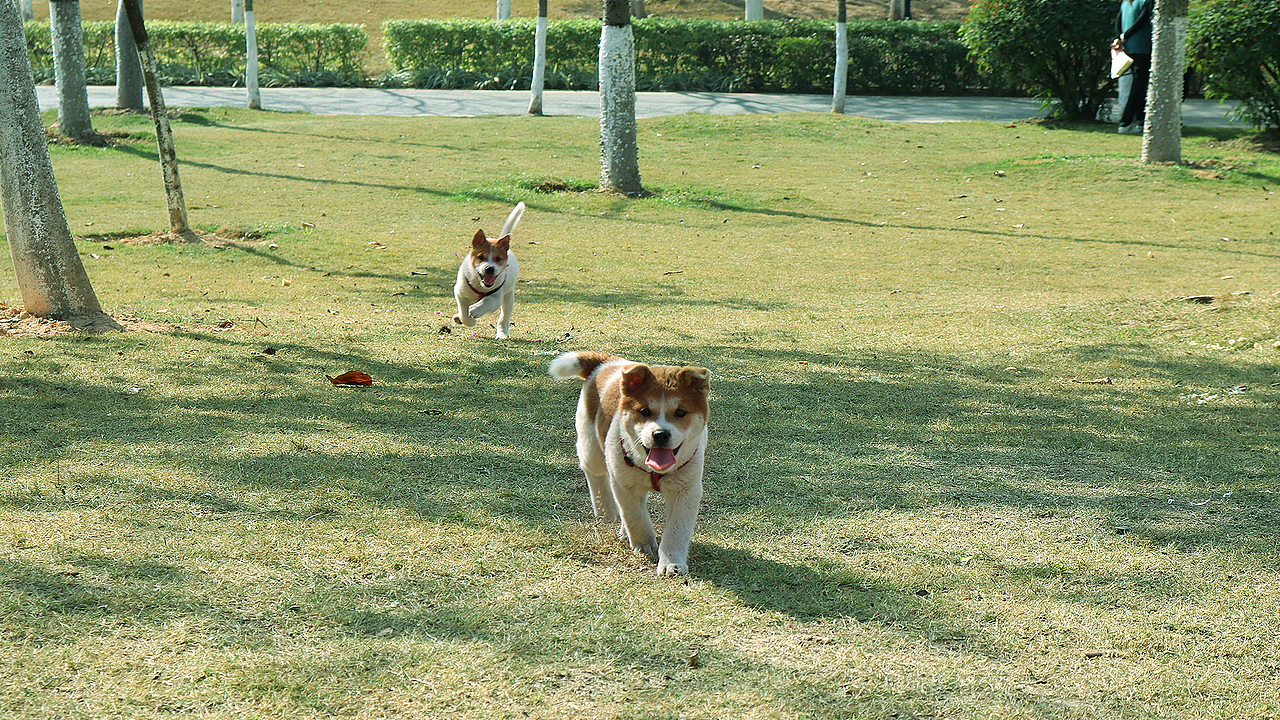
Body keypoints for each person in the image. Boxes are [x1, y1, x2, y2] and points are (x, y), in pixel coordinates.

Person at [1112, 0, 1153, 134]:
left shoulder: (1126, 3)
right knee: (1139, 86)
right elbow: (1142, 20)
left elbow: (1119, 22)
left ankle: (1140, 121)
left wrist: (1120, 37)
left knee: (1139, 85)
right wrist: (1122, 37)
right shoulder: (1145, 2)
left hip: (1129, 48)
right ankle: (1126, 122)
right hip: (1141, 49)